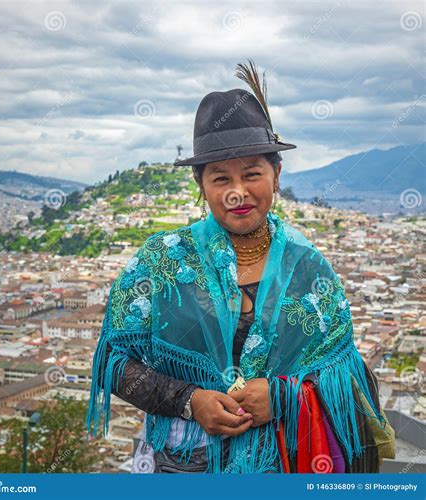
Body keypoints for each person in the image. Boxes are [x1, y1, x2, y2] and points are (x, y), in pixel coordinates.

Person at [86, 59, 395, 473]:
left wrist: (282, 396)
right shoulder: (161, 260)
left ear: (276, 175)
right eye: (220, 179)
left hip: (284, 459)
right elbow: (113, 362)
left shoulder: (307, 268)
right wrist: (189, 400)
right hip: (184, 464)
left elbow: (344, 374)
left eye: (252, 174)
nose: (238, 193)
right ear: (201, 185)